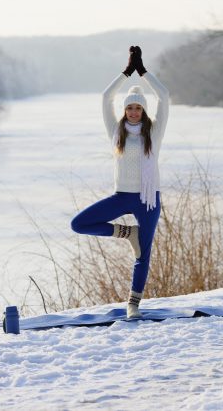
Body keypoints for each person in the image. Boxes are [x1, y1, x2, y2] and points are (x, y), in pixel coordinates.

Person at [71, 46, 169, 318]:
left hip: (148, 199)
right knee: (79, 224)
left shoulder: (155, 132)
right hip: (122, 197)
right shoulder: (116, 131)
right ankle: (129, 233)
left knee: (143, 256)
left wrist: (144, 72)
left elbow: (164, 96)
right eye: (129, 107)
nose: (134, 111)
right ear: (124, 110)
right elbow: (106, 97)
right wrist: (127, 72)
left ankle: (133, 304)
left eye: (138, 107)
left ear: (144, 110)